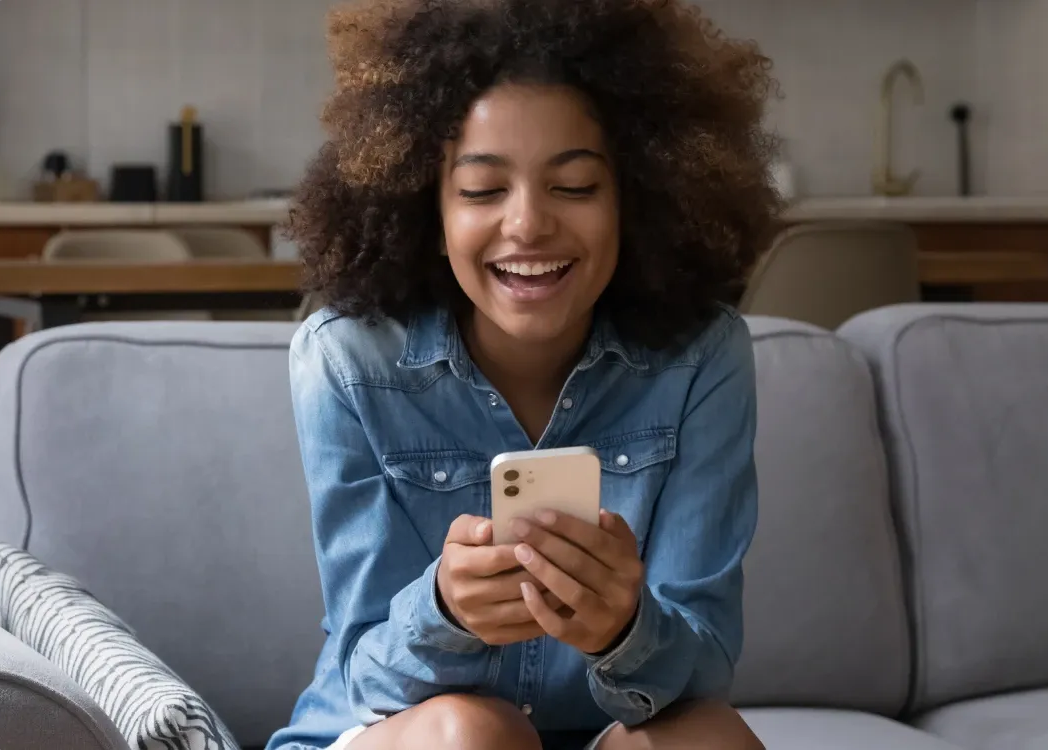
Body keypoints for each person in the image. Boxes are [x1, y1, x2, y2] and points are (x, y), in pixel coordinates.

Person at [267, 0, 781, 748]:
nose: (529, 224)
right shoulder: (347, 362)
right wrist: (443, 611)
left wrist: (626, 629)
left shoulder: (703, 357)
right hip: (407, 735)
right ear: (428, 213)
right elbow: (362, 675)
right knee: (473, 733)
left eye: (574, 186)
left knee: (712, 738)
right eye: (481, 190)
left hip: (604, 732)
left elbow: (703, 675)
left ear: (634, 202)